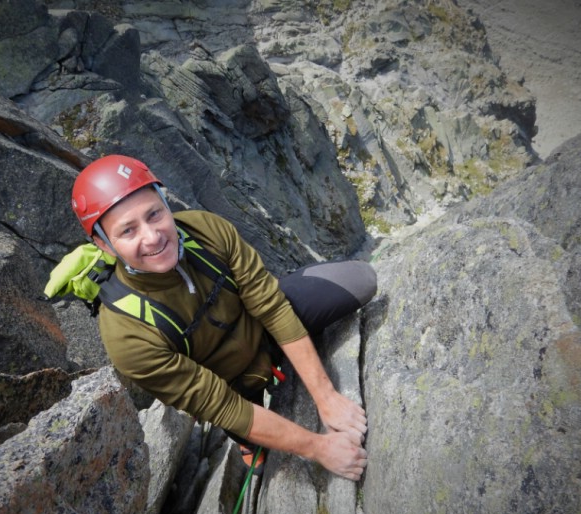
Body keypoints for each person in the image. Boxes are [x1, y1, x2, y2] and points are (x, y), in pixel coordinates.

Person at [70, 154, 377, 481]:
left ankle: (286, 364)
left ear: (164, 202)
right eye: (128, 231)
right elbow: (223, 405)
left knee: (360, 280)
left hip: (259, 329)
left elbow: (269, 305)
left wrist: (326, 396)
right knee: (246, 433)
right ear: (104, 244)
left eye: (155, 214)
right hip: (228, 386)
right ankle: (247, 442)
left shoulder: (204, 230)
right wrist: (319, 447)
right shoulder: (126, 336)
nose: (153, 237)